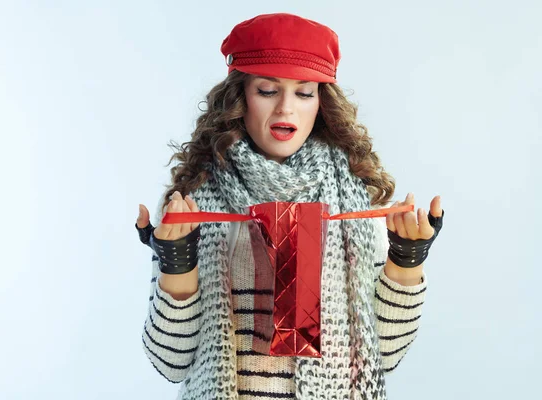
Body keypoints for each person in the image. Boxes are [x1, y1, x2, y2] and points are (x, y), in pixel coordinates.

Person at [135, 13, 444, 400]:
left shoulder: (356, 200)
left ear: (321, 103)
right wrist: (176, 263)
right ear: (239, 98)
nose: (286, 109)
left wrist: (406, 261)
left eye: (304, 92)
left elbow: (383, 355)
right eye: (267, 90)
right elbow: (169, 361)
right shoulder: (193, 203)